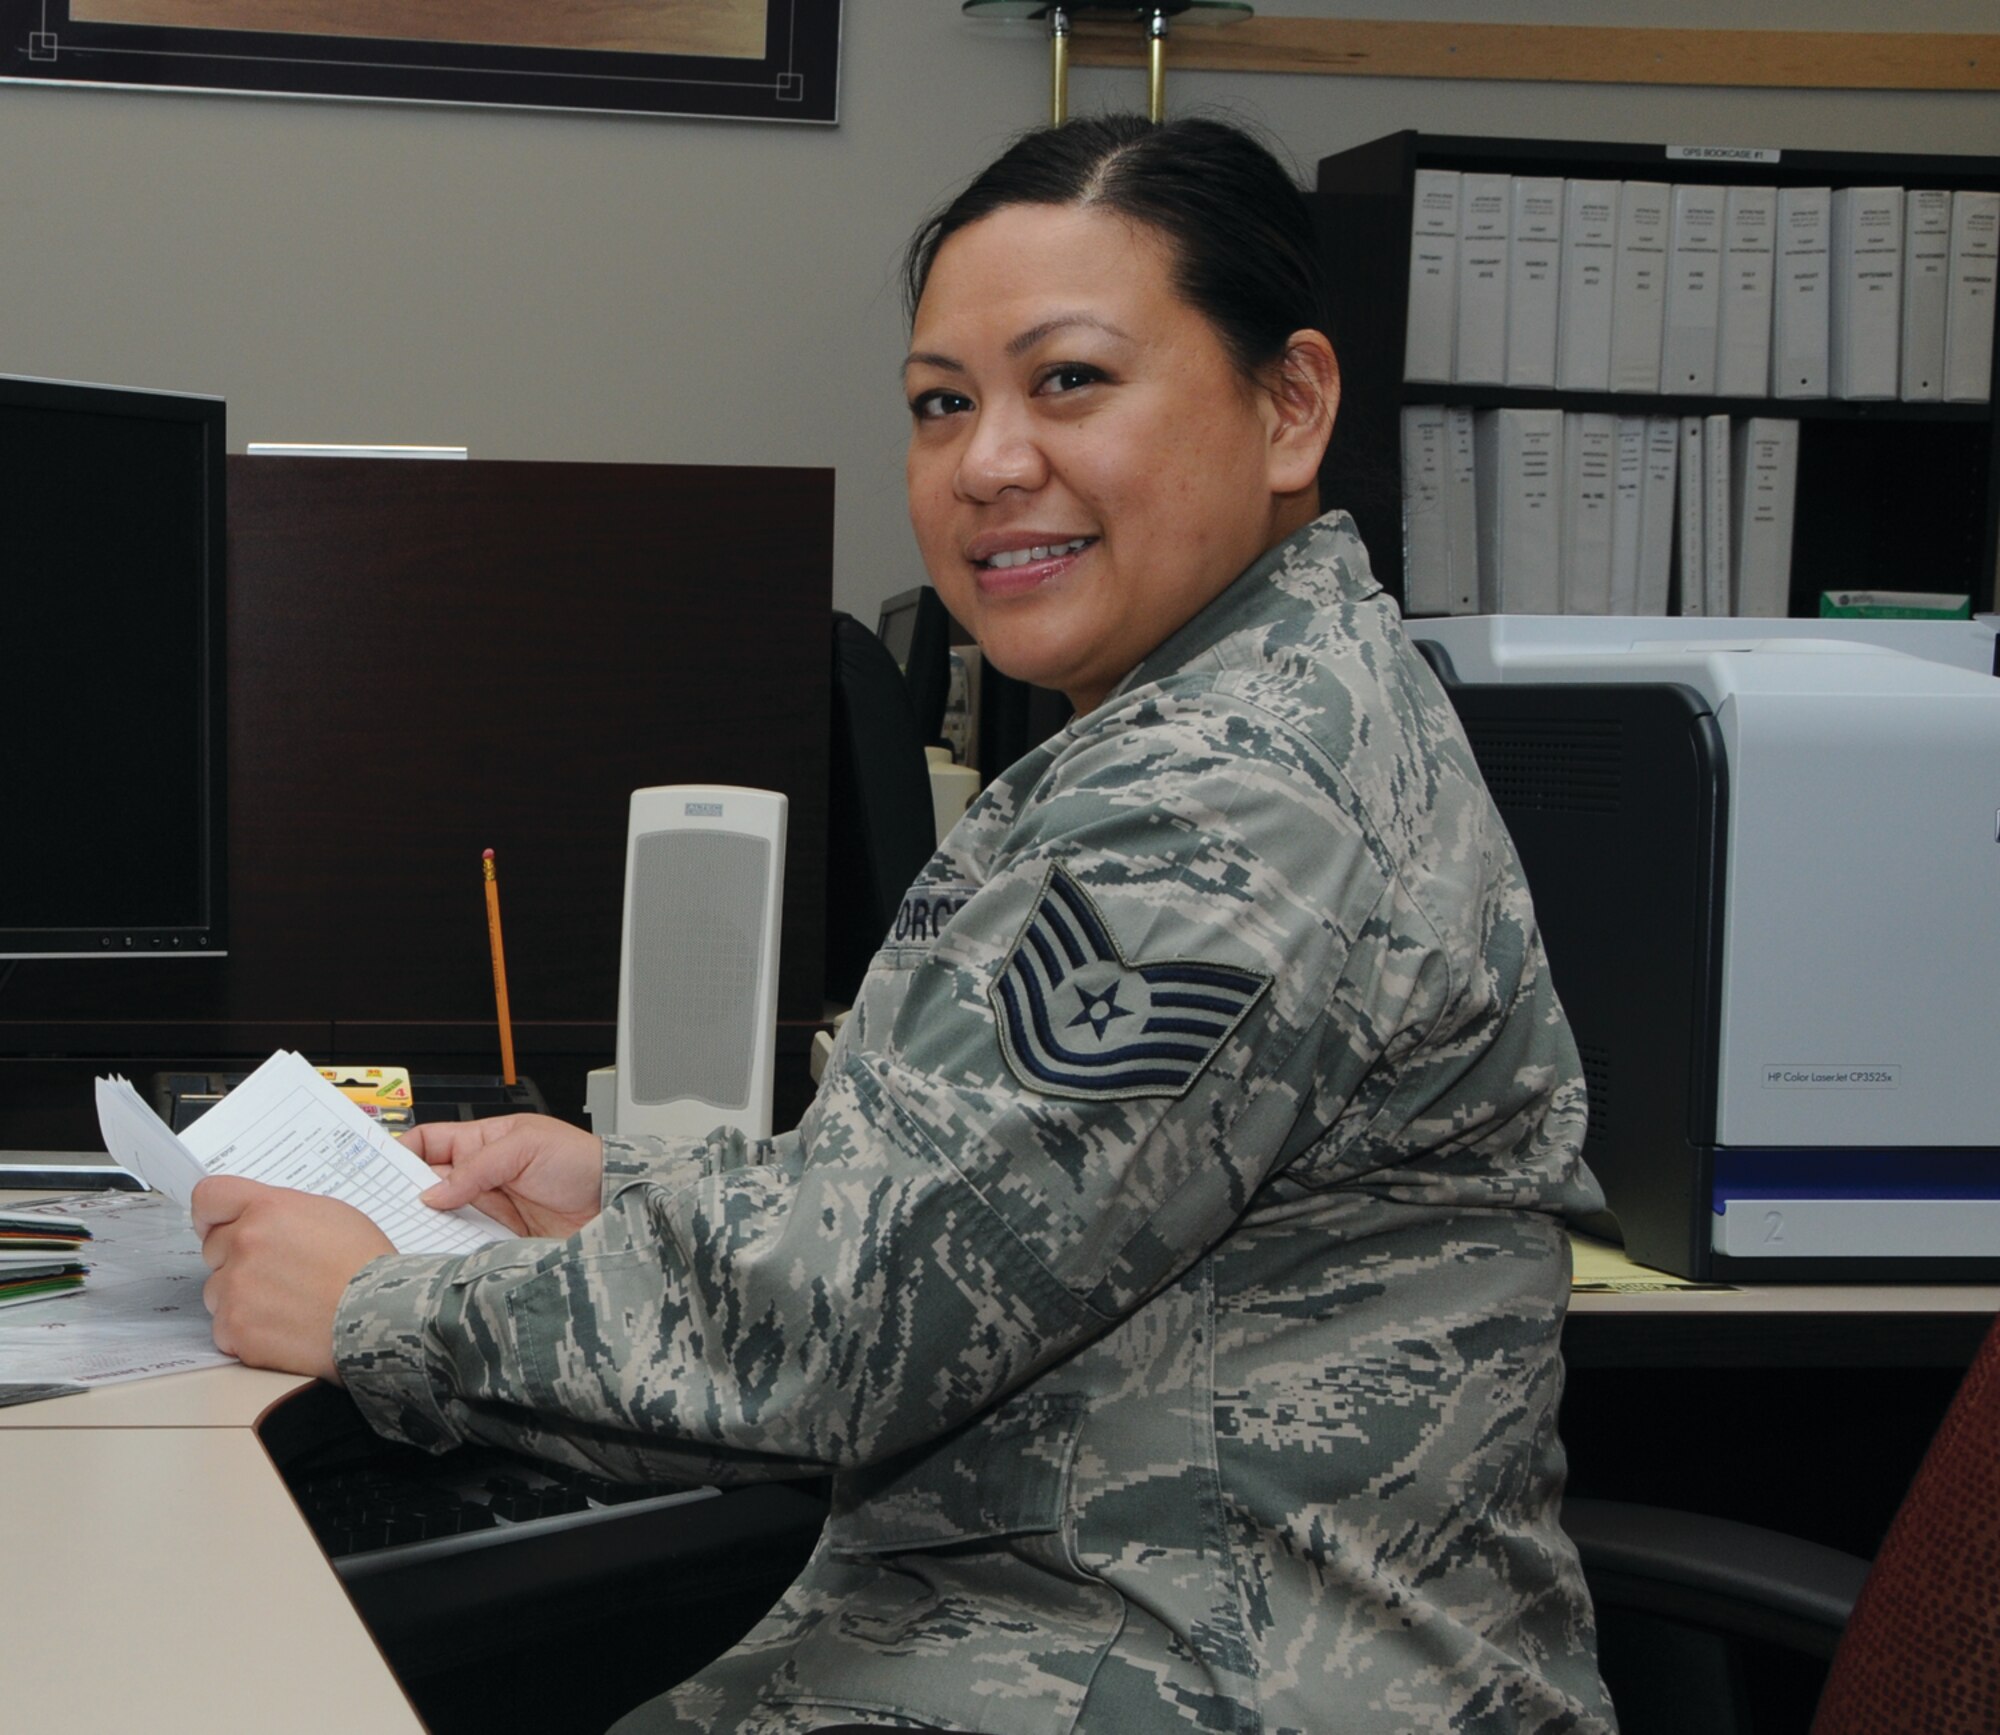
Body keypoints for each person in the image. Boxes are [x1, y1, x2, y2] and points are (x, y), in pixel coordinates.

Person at [195, 115, 1618, 1735]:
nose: (989, 461)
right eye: (943, 404)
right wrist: (628, 1194)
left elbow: (859, 1323)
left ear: (1289, 406)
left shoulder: (1227, 794)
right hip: (1089, 1632)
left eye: (1068, 380)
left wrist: (380, 1310)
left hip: (1192, 1676)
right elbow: (978, 1184)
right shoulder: (1231, 712)